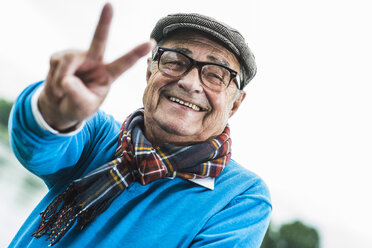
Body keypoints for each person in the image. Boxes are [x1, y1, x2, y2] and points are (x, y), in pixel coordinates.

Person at [9, 3, 271, 248]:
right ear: (149, 72)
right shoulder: (99, 136)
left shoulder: (240, 196)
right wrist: (56, 108)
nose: (190, 83)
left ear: (235, 104)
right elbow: (36, 144)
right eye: (175, 61)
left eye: (216, 75)